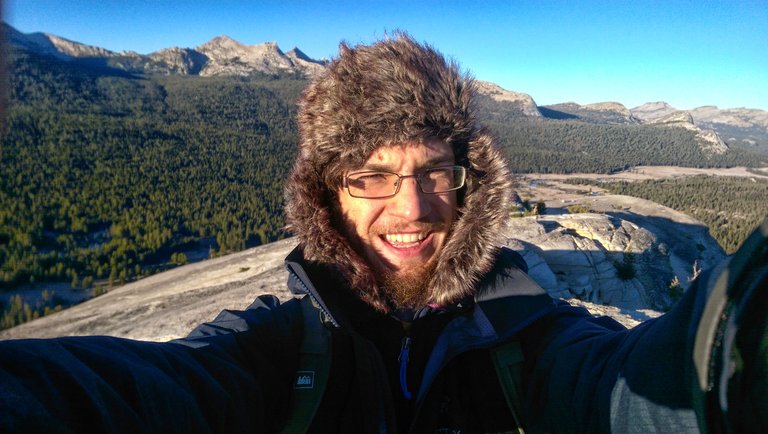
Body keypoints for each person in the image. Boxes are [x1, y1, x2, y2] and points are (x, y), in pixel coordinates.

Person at [0, 33, 765, 434]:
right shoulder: (278, 350)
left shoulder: (527, 332)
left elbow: (627, 388)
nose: (413, 208)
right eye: (371, 175)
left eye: (435, 170)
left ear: (471, 180)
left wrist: (732, 339)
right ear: (327, 196)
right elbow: (138, 393)